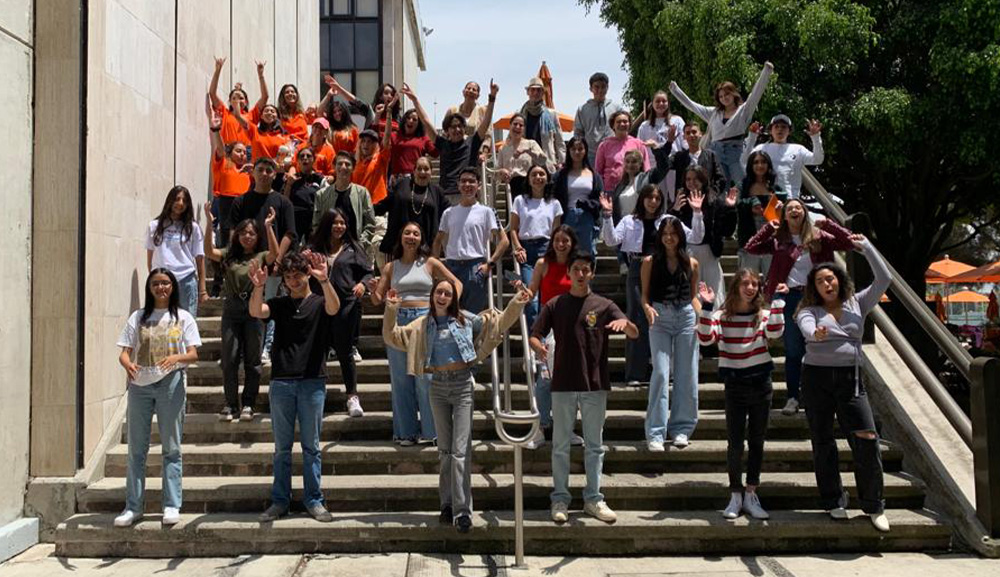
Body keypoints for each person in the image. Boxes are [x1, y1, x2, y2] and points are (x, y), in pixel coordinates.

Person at [383, 279, 532, 533]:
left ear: (454, 298)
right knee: (445, 452)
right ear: (432, 295)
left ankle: (463, 511)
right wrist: (391, 309)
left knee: (460, 450)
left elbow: (497, 325)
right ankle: (447, 505)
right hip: (437, 387)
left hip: (463, 385)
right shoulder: (422, 325)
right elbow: (392, 336)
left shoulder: (465, 319)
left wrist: (516, 303)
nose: (442, 296)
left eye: (448, 293)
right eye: (439, 292)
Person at [529, 252, 639, 525]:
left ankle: (593, 498)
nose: (580, 273)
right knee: (560, 445)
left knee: (594, 445)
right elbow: (534, 334)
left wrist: (626, 324)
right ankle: (560, 498)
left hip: (594, 383)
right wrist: (538, 347)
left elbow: (634, 332)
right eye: (575, 269)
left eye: (585, 269)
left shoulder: (604, 305)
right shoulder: (556, 304)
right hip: (563, 383)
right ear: (569, 273)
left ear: (591, 273)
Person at [796, 236, 892, 532]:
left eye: (831, 278)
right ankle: (834, 500)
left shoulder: (857, 303)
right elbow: (807, 329)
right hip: (816, 380)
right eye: (821, 281)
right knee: (823, 439)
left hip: (850, 380)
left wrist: (866, 248)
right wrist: (817, 333)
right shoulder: (807, 310)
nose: (828, 284)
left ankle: (874, 505)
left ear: (839, 280)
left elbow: (884, 278)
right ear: (815, 288)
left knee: (866, 437)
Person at [251, 249, 341, 523]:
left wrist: (325, 281)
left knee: (311, 446)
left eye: (298, 275)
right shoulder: (279, 303)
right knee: (282, 447)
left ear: (307, 274)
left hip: (312, 381)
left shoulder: (318, 301)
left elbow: (334, 308)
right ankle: (280, 500)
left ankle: (314, 500)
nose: (293, 281)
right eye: (289, 277)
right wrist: (258, 287)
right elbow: (257, 311)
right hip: (281, 381)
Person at [744, 198, 855, 415]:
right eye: (789, 208)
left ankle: (822, 398)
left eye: (798, 207)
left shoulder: (818, 236)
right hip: (791, 298)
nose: (794, 210)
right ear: (784, 215)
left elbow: (849, 243)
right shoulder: (779, 239)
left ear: (804, 212)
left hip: (818, 298)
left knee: (822, 348)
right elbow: (751, 247)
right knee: (794, 350)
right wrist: (768, 228)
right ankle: (793, 396)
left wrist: (829, 225)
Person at [114, 269, 201, 527]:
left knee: (171, 448)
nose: (161, 287)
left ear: (172, 286)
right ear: (149, 288)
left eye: (165, 283)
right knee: (136, 449)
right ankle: (133, 507)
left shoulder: (183, 317)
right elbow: (124, 352)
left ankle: (171, 505)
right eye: (156, 284)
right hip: (140, 386)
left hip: (170, 384)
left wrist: (176, 358)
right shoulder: (139, 316)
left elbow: (194, 354)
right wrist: (127, 364)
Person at [697, 270, 786, 519]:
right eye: (745, 283)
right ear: (736, 286)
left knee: (757, 441)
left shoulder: (764, 315)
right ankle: (735, 494)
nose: (750, 288)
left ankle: (751, 492)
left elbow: (776, 332)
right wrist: (706, 306)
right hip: (735, 384)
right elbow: (705, 339)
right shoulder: (721, 316)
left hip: (761, 383)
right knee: (735, 443)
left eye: (755, 284)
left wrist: (778, 301)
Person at [600, 186, 705, 385]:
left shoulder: (667, 221)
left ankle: (666, 370)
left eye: (657, 198)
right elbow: (610, 240)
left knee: (664, 317)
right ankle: (636, 373)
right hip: (638, 266)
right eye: (649, 197)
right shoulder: (629, 220)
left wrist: (697, 213)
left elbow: (696, 237)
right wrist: (607, 216)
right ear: (642, 199)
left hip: (664, 268)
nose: (653, 202)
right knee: (637, 317)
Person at [370, 222, 463, 445]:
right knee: (401, 379)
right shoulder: (390, 267)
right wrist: (375, 290)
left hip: (425, 320)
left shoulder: (430, 263)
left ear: (422, 239)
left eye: (416, 233)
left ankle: (432, 432)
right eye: (407, 233)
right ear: (400, 237)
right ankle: (405, 432)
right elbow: (376, 299)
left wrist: (447, 305)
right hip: (398, 322)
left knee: (426, 379)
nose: (411, 237)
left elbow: (456, 283)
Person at [203, 207, 278, 422]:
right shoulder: (229, 254)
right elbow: (209, 251)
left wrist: (268, 227)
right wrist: (210, 223)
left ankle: (248, 403)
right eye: (243, 232)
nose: (247, 236)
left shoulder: (261, 256)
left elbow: (274, 254)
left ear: (257, 237)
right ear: (237, 235)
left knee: (253, 360)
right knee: (229, 359)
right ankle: (230, 404)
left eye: (252, 233)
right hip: (232, 310)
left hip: (254, 309)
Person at [640, 216, 701, 449]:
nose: (669, 237)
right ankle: (656, 431)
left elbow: (693, 295)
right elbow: (645, 295)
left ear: (680, 236)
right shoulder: (649, 262)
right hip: (659, 316)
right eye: (665, 233)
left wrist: (702, 314)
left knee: (687, 374)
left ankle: (682, 429)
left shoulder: (691, 263)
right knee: (661, 373)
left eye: (673, 233)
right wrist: (646, 308)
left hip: (685, 316)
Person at [228, 157, 298, 362]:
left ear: (275, 175)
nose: (265, 173)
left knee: (270, 305)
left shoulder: (283, 202)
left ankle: (266, 347)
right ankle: (245, 347)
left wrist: (277, 261)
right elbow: (234, 231)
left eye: (269, 170)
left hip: (273, 264)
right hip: (246, 265)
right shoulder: (241, 201)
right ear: (253, 172)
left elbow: (290, 233)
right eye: (261, 169)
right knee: (247, 306)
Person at [523, 226, 585, 450]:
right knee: (545, 380)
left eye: (565, 241)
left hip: (573, 327)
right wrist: (523, 292)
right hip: (548, 327)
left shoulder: (577, 266)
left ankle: (566, 428)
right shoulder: (542, 264)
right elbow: (532, 291)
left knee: (571, 381)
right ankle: (540, 427)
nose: (561, 244)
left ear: (572, 243)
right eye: (557, 240)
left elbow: (586, 292)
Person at [310, 208, 374, 417]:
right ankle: (316, 394)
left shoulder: (353, 249)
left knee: (345, 352)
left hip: (346, 305)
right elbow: (297, 268)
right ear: (327, 224)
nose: (339, 227)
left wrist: (363, 285)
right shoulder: (314, 248)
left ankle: (352, 396)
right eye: (335, 223)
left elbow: (368, 272)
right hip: (319, 305)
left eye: (343, 223)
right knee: (317, 350)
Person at [669, 61, 774, 186]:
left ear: (734, 94)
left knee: (741, 186)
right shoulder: (714, 113)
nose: (724, 98)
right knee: (720, 187)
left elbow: (756, 94)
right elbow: (692, 106)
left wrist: (766, 71)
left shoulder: (744, 110)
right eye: (721, 96)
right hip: (716, 152)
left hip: (736, 153)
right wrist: (675, 90)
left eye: (727, 94)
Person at [433, 167, 510, 314]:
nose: (467, 185)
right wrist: (436, 267)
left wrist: (490, 264)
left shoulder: (487, 211)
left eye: (471, 181)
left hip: (475, 268)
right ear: (458, 185)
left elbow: (504, 241)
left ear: (479, 185)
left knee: (472, 316)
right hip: (451, 267)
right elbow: (437, 241)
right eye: (463, 181)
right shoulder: (448, 213)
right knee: (448, 314)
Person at [408, 81, 498, 201]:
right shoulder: (442, 144)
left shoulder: (472, 142)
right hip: (445, 195)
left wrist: (492, 98)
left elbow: (486, 123)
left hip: (466, 194)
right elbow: (425, 121)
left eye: (460, 126)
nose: (457, 129)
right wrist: (415, 100)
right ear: (447, 130)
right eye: (453, 127)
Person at [669, 166, 738, 302]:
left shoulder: (715, 201)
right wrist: (675, 210)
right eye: (688, 179)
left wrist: (730, 209)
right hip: (687, 254)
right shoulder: (680, 201)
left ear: (703, 180)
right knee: (691, 296)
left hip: (710, 254)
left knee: (714, 295)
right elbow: (670, 228)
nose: (692, 183)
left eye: (696, 179)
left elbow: (727, 231)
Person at [510, 164, 563, 327]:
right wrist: (517, 247)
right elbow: (512, 229)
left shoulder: (554, 203)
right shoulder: (520, 200)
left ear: (547, 179)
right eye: (534, 174)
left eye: (541, 174)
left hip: (547, 249)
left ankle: (546, 338)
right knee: (530, 299)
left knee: (547, 299)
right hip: (526, 251)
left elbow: (556, 233)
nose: (538, 177)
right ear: (528, 179)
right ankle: (535, 341)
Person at [146, 185, 207, 316]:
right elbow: (150, 258)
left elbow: (200, 259)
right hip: (163, 280)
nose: (180, 203)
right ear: (170, 200)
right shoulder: (154, 226)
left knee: (187, 322)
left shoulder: (193, 228)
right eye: (177, 199)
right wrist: (154, 280)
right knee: (162, 320)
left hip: (186, 279)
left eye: (184, 201)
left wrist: (202, 289)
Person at [376, 155, 450, 259]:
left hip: (425, 249)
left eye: (426, 169)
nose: (422, 172)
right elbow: (384, 205)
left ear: (431, 173)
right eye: (419, 169)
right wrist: (367, 209)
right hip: (399, 247)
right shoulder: (401, 185)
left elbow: (450, 213)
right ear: (414, 171)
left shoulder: (437, 192)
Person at [740, 116, 824, 199]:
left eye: (784, 127)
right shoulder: (761, 148)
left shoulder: (798, 149)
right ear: (770, 130)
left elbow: (817, 159)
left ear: (789, 131)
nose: (780, 129)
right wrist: (752, 137)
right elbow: (744, 161)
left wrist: (815, 137)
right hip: (765, 197)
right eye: (776, 126)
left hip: (789, 200)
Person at [313, 151, 377, 253]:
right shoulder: (321, 195)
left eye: (348, 164)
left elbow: (370, 223)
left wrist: (360, 245)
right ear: (333, 166)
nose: (343, 167)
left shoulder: (362, 193)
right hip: (329, 250)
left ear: (353, 168)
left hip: (355, 250)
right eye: (340, 163)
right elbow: (316, 224)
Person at [736, 151, 786, 276]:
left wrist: (781, 208)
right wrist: (751, 205)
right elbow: (737, 204)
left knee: (771, 281)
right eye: (756, 162)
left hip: (771, 241)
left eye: (763, 162)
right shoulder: (743, 186)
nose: (760, 165)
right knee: (748, 279)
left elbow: (783, 214)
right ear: (750, 166)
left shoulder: (776, 188)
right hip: (749, 239)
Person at [552, 137, 604, 255]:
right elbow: (553, 196)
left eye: (580, 149)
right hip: (566, 216)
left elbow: (599, 198)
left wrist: (589, 206)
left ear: (585, 151)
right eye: (573, 149)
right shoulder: (560, 175)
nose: (577, 152)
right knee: (565, 253)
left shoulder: (594, 175)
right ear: (569, 151)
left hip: (587, 216)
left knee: (587, 253)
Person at [636, 90, 688, 197]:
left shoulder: (677, 120)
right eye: (657, 101)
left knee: (675, 196)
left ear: (668, 103)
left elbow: (685, 142)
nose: (661, 104)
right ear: (653, 104)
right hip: (654, 168)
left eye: (664, 101)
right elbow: (640, 150)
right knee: (657, 197)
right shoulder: (644, 126)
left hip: (673, 166)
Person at [208, 56, 268, 147]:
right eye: (234, 98)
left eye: (241, 98)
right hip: (229, 152)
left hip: (246, 153)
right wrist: (217, 71)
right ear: (230, 102)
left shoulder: (252, 115)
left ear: (246, 102)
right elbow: (212, 93)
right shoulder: (225, 113)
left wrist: (261, 75)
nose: (238, 101)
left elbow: (265, 97)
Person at [573, 72, 624, 166]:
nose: (600, 90)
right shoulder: (582, 109)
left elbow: (624, 129)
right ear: (591, 88)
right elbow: (578, 132)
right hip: (590, 155)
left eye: (603, 87)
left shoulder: (616, 108)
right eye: (596, 87)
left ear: (607, 87)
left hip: (613, 153)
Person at [667, 122, 727, 201]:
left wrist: (712, 194)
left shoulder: (711, 156)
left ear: (700, 134)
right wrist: (669, 142)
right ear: (684, 136)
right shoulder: (679, 157)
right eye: (688, 133)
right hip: (685, 201)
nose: (691, 135)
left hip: (706, 201)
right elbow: (663, 165)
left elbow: (721, 178)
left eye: (694, 132)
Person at [594, 110, 651, 193]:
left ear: (629, 124)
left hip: (633, 190)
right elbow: (598, 171)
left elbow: (646, 168)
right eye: (618, 122)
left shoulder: (638, 144)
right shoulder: (604, 145)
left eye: (625, 122)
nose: (622, 124)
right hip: (610, 190)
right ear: (613, 125)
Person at [496, 113, 549, 198]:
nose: (517, 127)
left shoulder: (531, 144)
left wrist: (528, 151)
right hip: (510, 186)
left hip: (529, 184)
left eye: (521, 125)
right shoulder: (503, 149)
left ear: (524, 129)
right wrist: (502, 172)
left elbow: (543, 160)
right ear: (510, 126)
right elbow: (497, 171)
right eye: (515, 124)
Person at [281, 147, 327, 245]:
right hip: (295, 220)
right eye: (302, 156)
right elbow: (284, 201)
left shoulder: (320, 180)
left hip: (313, 220)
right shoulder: (292, 179)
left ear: (314, 160)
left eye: (308, 156)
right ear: (297, 161)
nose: (305, 158)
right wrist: (289, 184)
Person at [520, 77, 565, 169]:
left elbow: (559, 142)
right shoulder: (521, 115)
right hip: (526, 164)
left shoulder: (552, 115)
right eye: (533, 90)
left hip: (547, 163)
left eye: (538, 90)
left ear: (543, 93)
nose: (535, 93)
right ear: (528, 92)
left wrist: (562, 162)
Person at [390, 108, 437, 182]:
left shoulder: (424, 138)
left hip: (416, 179)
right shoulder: (393, 136)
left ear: (419, 124)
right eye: (408, 118)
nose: (410, 121)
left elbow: (435, 153)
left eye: (414, 119)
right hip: (397, 179)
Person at [319, 75, 360, 154]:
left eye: (340, 111)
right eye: (334, 112)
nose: (337, 113)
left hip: (347, 162)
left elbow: (357, 150)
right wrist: (328, 95)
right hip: (331, 162)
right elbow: (319, 112)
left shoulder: (353, 129)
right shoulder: (329, 125)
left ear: (345, 111)